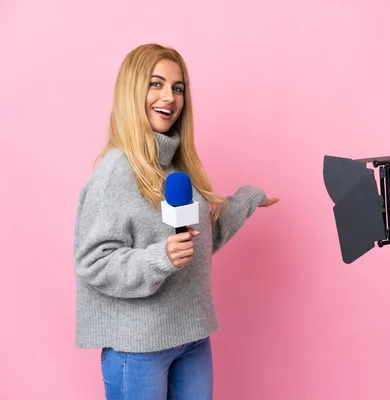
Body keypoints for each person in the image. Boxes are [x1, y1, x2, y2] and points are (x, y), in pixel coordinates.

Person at [73, 43, 278, 400]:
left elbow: (199, 241)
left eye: (177, 87)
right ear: (132, 92)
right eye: (156, 84)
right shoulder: (116, 171)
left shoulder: (178, 167)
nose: (169, 96)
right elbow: (93, 261)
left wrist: (246, 200)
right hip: (138, 347)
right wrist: (159, 257)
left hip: (191, 336)